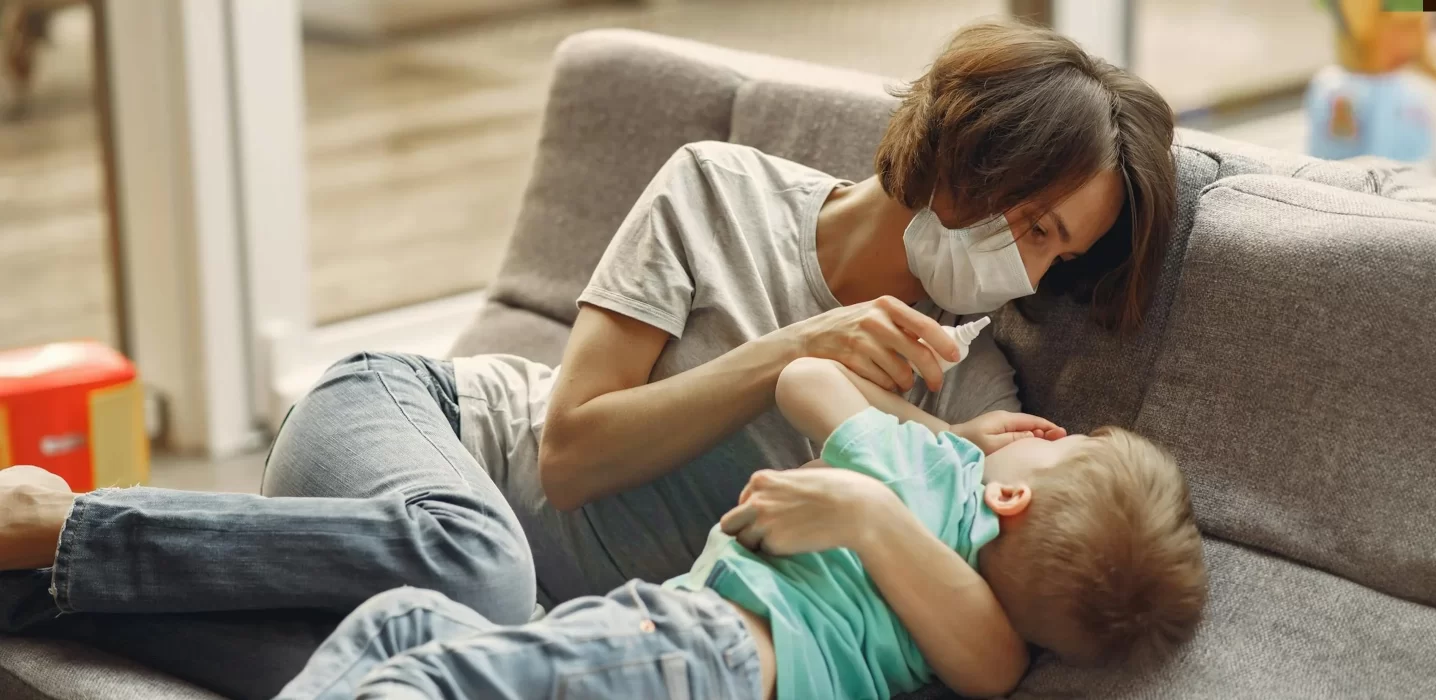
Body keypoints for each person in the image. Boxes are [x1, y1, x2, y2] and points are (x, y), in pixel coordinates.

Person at [0, 19, 1178, 698]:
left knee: (422, 642)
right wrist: (792, 347)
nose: (1025, 267)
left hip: (546, 608)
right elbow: (566, 456)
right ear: (971, 150)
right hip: (421, 436)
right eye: (1029, 221)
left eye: (1054, 253)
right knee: (473, 569)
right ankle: (65, 525)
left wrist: (938, 441)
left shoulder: (971, 396)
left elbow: (978, 620)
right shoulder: (721, 190)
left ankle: (30, 591)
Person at [275, 355, 1206, 700]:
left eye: (1065, 446)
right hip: (687, 651)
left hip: (693, 646)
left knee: (441, 680)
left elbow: (804, 379)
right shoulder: (978, 637)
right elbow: (1000, 668)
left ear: (1013, 497)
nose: (1052, 434)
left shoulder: (931, 472)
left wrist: (943, 433)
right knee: (403, 625)